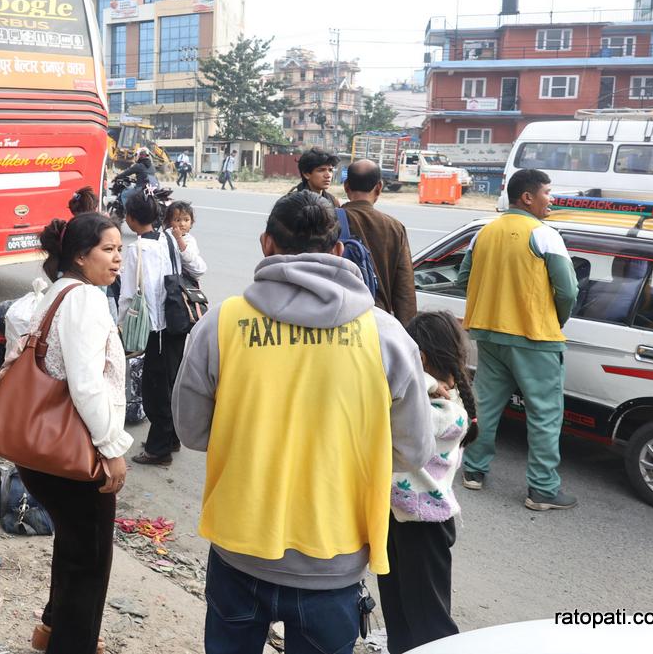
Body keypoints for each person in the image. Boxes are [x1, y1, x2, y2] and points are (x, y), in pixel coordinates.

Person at [172, 190, 433, 654]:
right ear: (337, 250)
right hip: (333, 560)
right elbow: (414, 450)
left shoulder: (221, 323)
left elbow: (191, 431)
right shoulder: (386, 335)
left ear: (266, 243)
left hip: (239, 549)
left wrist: (250, 436)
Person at [0, 211, 132, 653]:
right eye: (108, 250)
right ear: (80, 255)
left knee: (72, 547)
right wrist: (111, 448)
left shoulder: (56, 291)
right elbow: (87, 384)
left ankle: (51, 630)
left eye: (120, 250)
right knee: (91, 560)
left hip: (40, 450)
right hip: (74, 451)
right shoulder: (86, 300)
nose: (117, 259)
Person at [456, 168, 579, 511]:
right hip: (534, 337)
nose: (550, 200)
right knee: (544, 415)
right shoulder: (545, 235)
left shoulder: (484, 233)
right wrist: (554, 320)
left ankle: (473, 471)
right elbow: (568, 291)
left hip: (489, 333)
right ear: (527, 197)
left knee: (486, 405)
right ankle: (542, 490)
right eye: (547, 193)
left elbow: (464, 277)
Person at [377, 311, 477, 653]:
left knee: (431, 626)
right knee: (399, 615)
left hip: (425, 529)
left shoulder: (446, 412)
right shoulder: (428, 400)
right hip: (397, 520)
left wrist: (427, 382)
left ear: (418, 360)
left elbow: (384, 388)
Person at [121, 189, 184, 467]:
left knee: (154, 390)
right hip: (177, 319)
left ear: (132, 219)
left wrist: (121, 325)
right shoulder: (168, 238)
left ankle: (159, 449)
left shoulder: (136, 249)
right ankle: (171, 438)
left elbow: (127, 295)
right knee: (171, 382)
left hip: (154, 327)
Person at [340, 159, 416, 323]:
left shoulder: (329, 220)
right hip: (377, 322)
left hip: (338, 318)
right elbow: (405, 291)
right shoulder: (395, 228)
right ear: (379, 187)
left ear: (346, 186)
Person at [165, 201, 206, 281]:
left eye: (186, 220)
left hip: (185, 278)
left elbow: (188, 257)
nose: (182, 224)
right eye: (177, 220)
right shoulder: (165, 236)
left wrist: (179, 239)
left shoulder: (189, 240)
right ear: (169, 222)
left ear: (191, 222)